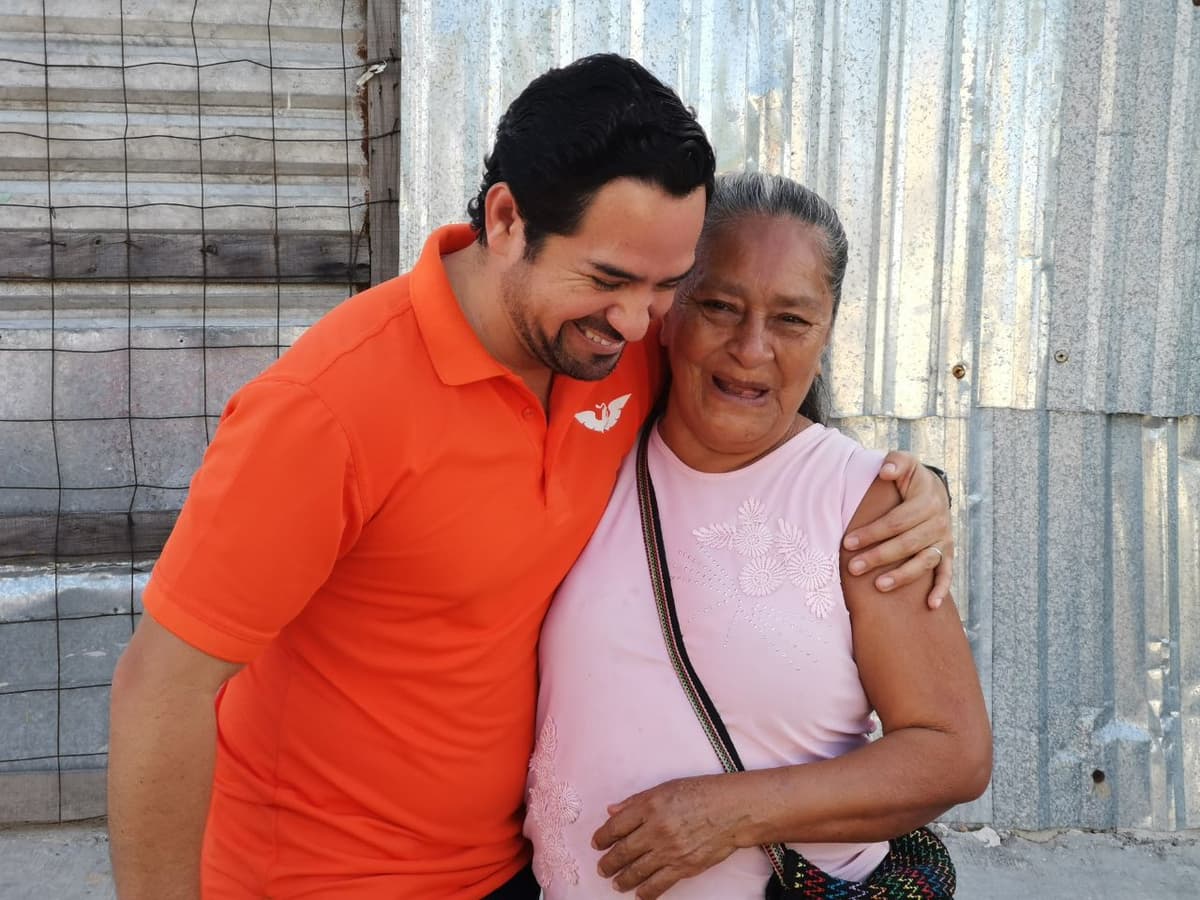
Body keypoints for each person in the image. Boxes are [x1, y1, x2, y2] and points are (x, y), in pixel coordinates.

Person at [107, 56, 956, 900]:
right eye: (609, 279)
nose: (635, 321)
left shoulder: (611, 353)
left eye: (666, 288)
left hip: (517, 872)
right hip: (318, 878)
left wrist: (918, 489)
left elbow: (757, 401)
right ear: (507, 219)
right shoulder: (325, 410)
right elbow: (163, 689)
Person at [525, 172, 991, 898]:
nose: (750, 348)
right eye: (720, 306)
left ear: (827, 330)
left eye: (791, 321)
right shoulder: (592, 458)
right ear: (670, 308)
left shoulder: (866, 508)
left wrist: (729, 814)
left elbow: (952, 752)